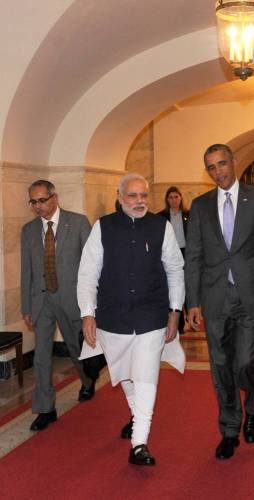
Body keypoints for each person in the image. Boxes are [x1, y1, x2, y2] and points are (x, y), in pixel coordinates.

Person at [185, 144, 254, 460]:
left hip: (250, 295)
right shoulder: (200, 206)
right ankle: (230, 429)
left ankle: (252, 403)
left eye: (222, 164)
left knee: (243, 362)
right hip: (215, 298)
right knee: (220, 367)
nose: (218, 172)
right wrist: (193, 302)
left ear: (234, 162)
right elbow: (195, 257)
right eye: (211, 168)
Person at [77, 173, 185, 466]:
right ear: (120, 197)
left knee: (146, 374)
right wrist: (88, 312)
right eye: (133, 196)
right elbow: (88, 273)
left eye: (144, 196)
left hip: (152, 314)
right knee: (125, 373)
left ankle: (139, 443)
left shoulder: (161, 226)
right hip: (113, 317)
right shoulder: (103, 227)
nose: (140, 202)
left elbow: (176, 269)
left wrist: (175, 310)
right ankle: (139, 421)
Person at [21, 180, 95, 432]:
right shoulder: (29, 230)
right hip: (42, 301)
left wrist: (91, 304)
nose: (38, 206)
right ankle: (45, 408)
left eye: (42, 200)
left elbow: (92, 264)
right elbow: (26, 271)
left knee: (76, 348)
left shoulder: (78, 222)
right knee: (42, 355)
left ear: (55, 197)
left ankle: (87, 380)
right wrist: (26, 306)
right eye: (33, 202)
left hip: (72, 298)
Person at [158, 186, 189, 333]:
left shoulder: (189, 215)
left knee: (186, 286)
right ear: (167, 200)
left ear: (181, 198)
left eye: (176, 197)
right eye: (170, 197)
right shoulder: (161, 217)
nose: (174, 200)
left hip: (186, 253)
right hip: (169, 255)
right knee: (174, 286)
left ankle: (190, 314)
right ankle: (179, 322)